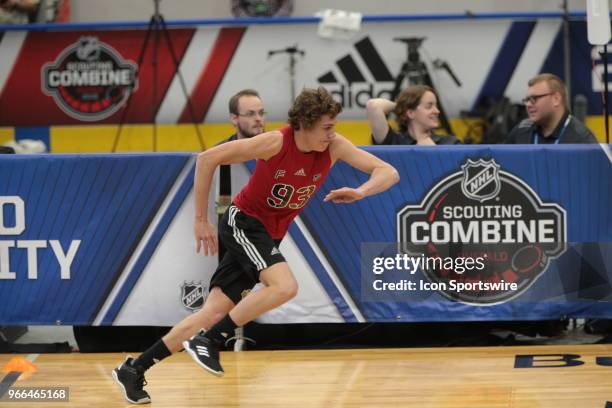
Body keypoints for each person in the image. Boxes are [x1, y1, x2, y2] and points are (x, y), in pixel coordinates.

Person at [112, 86, 400, 404]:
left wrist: (362, 191)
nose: (332, 134)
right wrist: (200, 219)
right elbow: (207, 158)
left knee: (211, 312)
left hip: (268, 234)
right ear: (305, 124)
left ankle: (135, 369)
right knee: (285, 286)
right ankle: (211, 339)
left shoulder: (333, 147)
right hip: (244, 223)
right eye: (326, 127)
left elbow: (388, 172)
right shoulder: (275, 142)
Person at [505, 73, 597, 144]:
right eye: (527, 99)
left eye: (534, 99)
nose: (528, 104)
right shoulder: (522, 130)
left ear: (556, 99)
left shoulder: (581, 139)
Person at [366, 85, 460, 145]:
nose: (437, 111)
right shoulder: (393, 142)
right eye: (429, 106)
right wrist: (401, 107)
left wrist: (435, 152)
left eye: (436, 106)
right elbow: (373, 106)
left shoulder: (451, 143)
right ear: (411, 113)